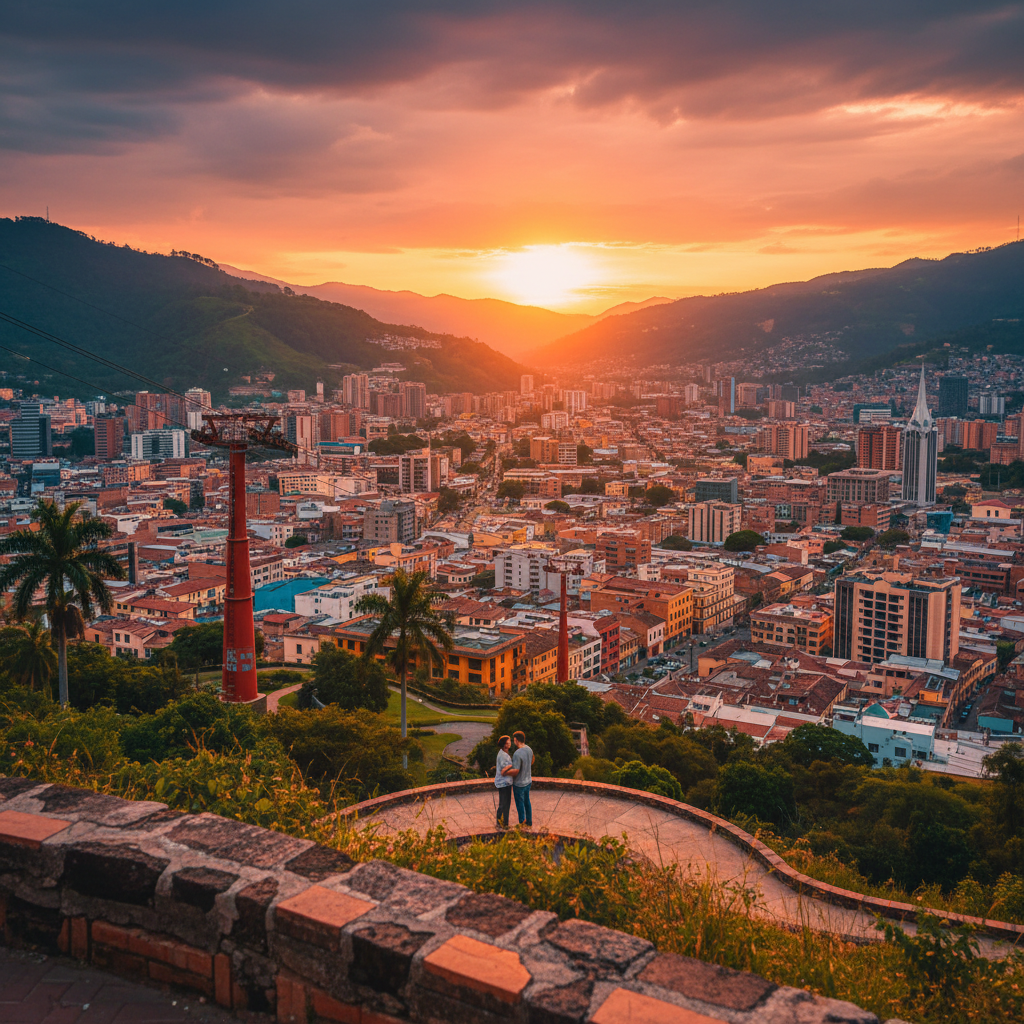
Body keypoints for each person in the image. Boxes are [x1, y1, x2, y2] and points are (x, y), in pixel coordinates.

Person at [506, 730, 534, 828]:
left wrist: (505, 773)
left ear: (517, 740)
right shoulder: (529, 749)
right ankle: (529, 821)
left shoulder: (517, 754)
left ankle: (522, 824)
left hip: (519, 784)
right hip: (528, 781)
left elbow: (516, 770)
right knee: (527, 802)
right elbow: (532, 761)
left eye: (514, 740)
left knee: (520, 805)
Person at [494, 734, 513, 829]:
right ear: (504, 744)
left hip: (505, 782)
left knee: (506, 803)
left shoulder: (503, 753)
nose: (509, 744)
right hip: (503, 783)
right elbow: (504, 770)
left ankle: (505, 822)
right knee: (503, 803)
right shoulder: (503, 756)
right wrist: (513, 765)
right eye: (508, 742)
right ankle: (500, 822)